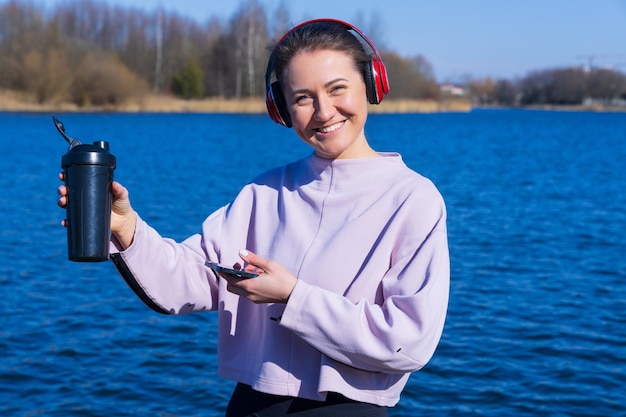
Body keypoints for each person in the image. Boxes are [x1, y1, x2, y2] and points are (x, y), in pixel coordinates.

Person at [57, 18, 450, 417]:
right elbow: (183, 282)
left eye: (337, 89)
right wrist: (126, 228)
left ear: (370, 83)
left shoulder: (413, 199)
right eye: (302, 98)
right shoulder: (262, 193)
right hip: (251, 406)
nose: (323, 111)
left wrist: (292, 297)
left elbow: (408, 341)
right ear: (281, 109)